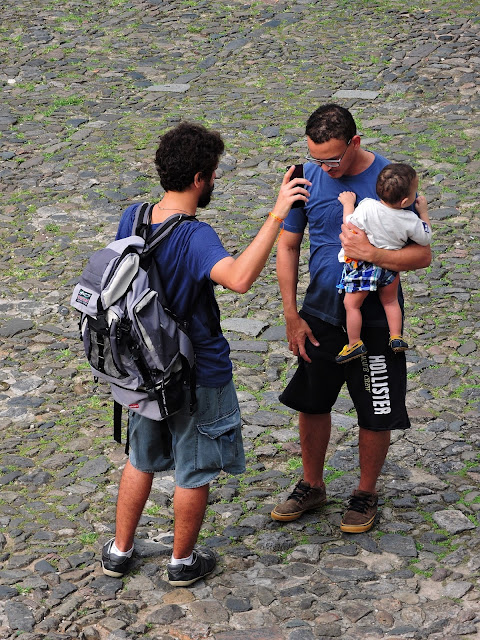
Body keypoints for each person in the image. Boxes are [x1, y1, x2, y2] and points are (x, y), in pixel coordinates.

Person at [101, 121, 310, 586]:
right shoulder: (195, 237)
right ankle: (181, 562)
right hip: (197, 373)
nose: (214, 181)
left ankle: (119, 551)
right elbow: (237, 278)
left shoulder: (134, 216)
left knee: (139, 458)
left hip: (142, 369)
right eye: (213, 173)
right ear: (200, 178)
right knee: (193, 469)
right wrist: (276, 214)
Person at [271, 104, 431, 533]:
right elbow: (287, 247)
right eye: (316, 157)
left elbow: (423, 253)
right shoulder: (303, 177)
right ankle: (312, 484)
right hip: (320, 313)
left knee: (376, 408)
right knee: (312, 401)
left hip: (376, 319)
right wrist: (290, 313)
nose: (324, 168)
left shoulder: (393, 180)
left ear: (355, 143)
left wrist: (374, 255)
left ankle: (365, 492)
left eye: (333, 159)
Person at [336, 163, 432, 364]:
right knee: (390, 301)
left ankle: (354, 342)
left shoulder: (368, 206)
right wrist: (423, 212)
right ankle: (396, 336)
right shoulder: (409, 219)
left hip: (364, 267)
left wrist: (347, 203)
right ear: (405, 200)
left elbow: (349, 225)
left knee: (351, 305)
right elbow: (425, 237)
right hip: (389, 266)